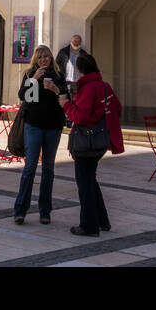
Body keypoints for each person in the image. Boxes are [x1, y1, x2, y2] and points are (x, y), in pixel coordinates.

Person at [59, 52, 116, 237]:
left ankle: (89, 226)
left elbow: (80, 117)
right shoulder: (105, 86)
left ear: (80, 70)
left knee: (84, 184)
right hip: (99, 140)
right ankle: (102, 220)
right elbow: (117, 108)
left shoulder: (88, 88)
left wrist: (66, 104)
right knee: (91, 180)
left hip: (86, 142)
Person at [13, 45, 67, 225]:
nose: (44, 59)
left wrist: (55, 90)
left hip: (53, 127)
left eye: (47, 57)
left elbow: (66, 100)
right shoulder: (30, 74)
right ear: (36, 59)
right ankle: (20, 210)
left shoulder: (58, 76)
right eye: (40, 57)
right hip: (34, 125)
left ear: (51, 58)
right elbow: (24, 97)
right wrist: (34, 81)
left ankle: (45, 211)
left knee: (48, 169)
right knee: (29, 168)